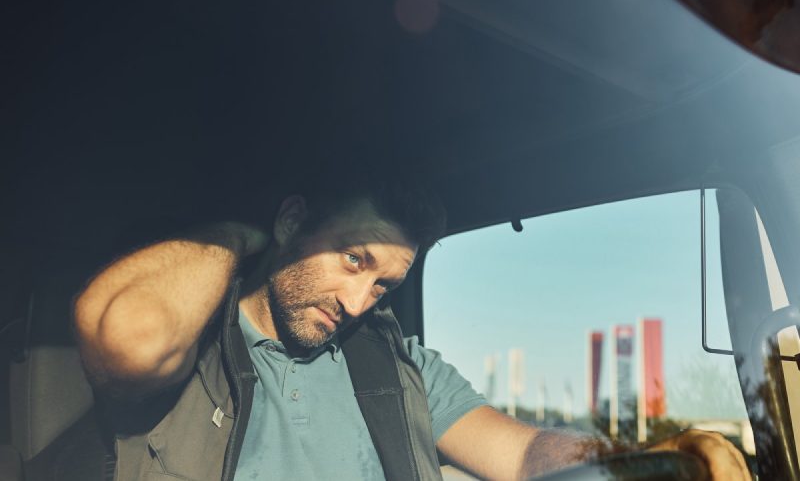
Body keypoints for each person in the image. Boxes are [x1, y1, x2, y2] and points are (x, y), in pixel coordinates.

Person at [73, 176, 751, 480]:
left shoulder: (394, 366)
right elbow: (129, 341)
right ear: (290, 223)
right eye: (353, 260)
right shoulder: (194, 347)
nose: (361, 301)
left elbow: (523, 455)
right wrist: (242, 237)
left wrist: (654, 458)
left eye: (384, 285)